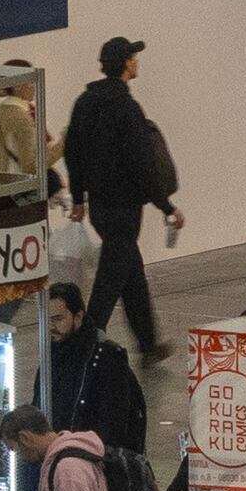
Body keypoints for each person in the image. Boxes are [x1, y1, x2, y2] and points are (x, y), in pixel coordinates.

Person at [57, 36, 181, 372]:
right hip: (125, 208)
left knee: (131, 273)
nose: (137, 61)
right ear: (126, 64)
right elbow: (142, 165)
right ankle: (84, 345)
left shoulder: (84, 103)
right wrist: (167, 207)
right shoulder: (127, 109)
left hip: (100, 207)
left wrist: (79, 197)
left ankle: (148, 344)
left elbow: (73, 153)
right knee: (109, 282)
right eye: (133, 57)